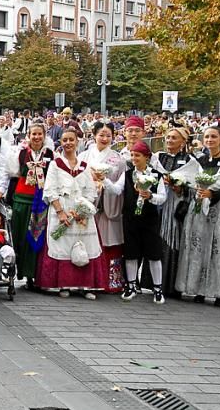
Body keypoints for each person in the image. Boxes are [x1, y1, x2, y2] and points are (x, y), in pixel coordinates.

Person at [176, 126, 220, 307]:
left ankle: (218, 292)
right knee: (197, 248)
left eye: (214, 136)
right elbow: (188, 179)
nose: (210, 140)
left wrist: (213, 194)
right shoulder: (200, 160)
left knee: (217, 249)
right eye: (207, 137)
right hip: (199, 210)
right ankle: (197, 289)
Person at [36, 127, 107, 299]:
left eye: (71, 140)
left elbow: (91, 191)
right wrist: (60, 211)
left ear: (77, 141)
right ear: (60, 143)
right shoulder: (55, 164)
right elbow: (50, 189)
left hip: (80, 212)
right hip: (62, 208)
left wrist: (82, 210)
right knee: (62, 245)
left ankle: (86, 285)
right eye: (64, 140)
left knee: (84, 245)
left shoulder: (85, 166)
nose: (68, 143)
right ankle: (64, 283)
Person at [104, 142, 167, 303]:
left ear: (147, 157)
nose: (134, 158)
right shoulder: (127, 175)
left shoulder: (156, 175)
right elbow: (117, 190)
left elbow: (162, 197)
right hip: (130, 218)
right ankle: (131, 285)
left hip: (149, 219)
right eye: (132, 155)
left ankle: (158, 288)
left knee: (153, 253)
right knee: (131, 253)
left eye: (137, 155)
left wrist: (150, 197)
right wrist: (103, 179)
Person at [9, 123, 54, 289]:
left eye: (39, 134)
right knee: (19, 235)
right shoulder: (20, 153)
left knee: (35, 236)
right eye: (33, 134)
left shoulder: (50, 154)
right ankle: (15, 272)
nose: (36, 137)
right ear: (28, 135)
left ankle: (33, 275)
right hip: (22, 198)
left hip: (40, 200)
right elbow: (13, 173)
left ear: (44, 135)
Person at [83, 122, 126, 293]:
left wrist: (104, 182)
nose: (105, 138)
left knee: (109, 243)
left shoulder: (118, 159)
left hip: (108, 205)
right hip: (89, 203)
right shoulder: (85, 156)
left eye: (108, 135)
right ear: (94, 135)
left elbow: (119, 186)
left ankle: (110, 282)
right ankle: (88, 280)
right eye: (101, 134)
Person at [154, 125, 195, 299]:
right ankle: (154, 282)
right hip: (157, 204)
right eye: (168, 137)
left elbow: (194, 185)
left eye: (174, 138)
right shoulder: (158, 157)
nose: (170, 140)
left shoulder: (189, 160)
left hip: (176, 206)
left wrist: (180, 188)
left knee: (174, 241)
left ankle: (172, 285)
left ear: (183, 142)